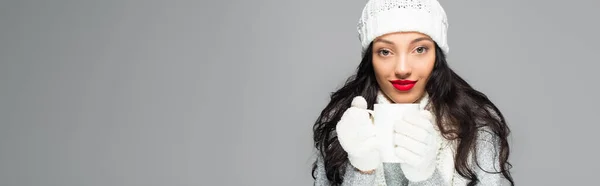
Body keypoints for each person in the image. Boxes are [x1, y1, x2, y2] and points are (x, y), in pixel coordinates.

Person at [311, 0, 515, 185]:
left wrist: (425, 176)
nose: (402, 69)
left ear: (437, 54)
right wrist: (362, 170)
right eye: (385, 51)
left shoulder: (475, 126)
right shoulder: (343, 123)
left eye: (419, 49)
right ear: (370, 58)